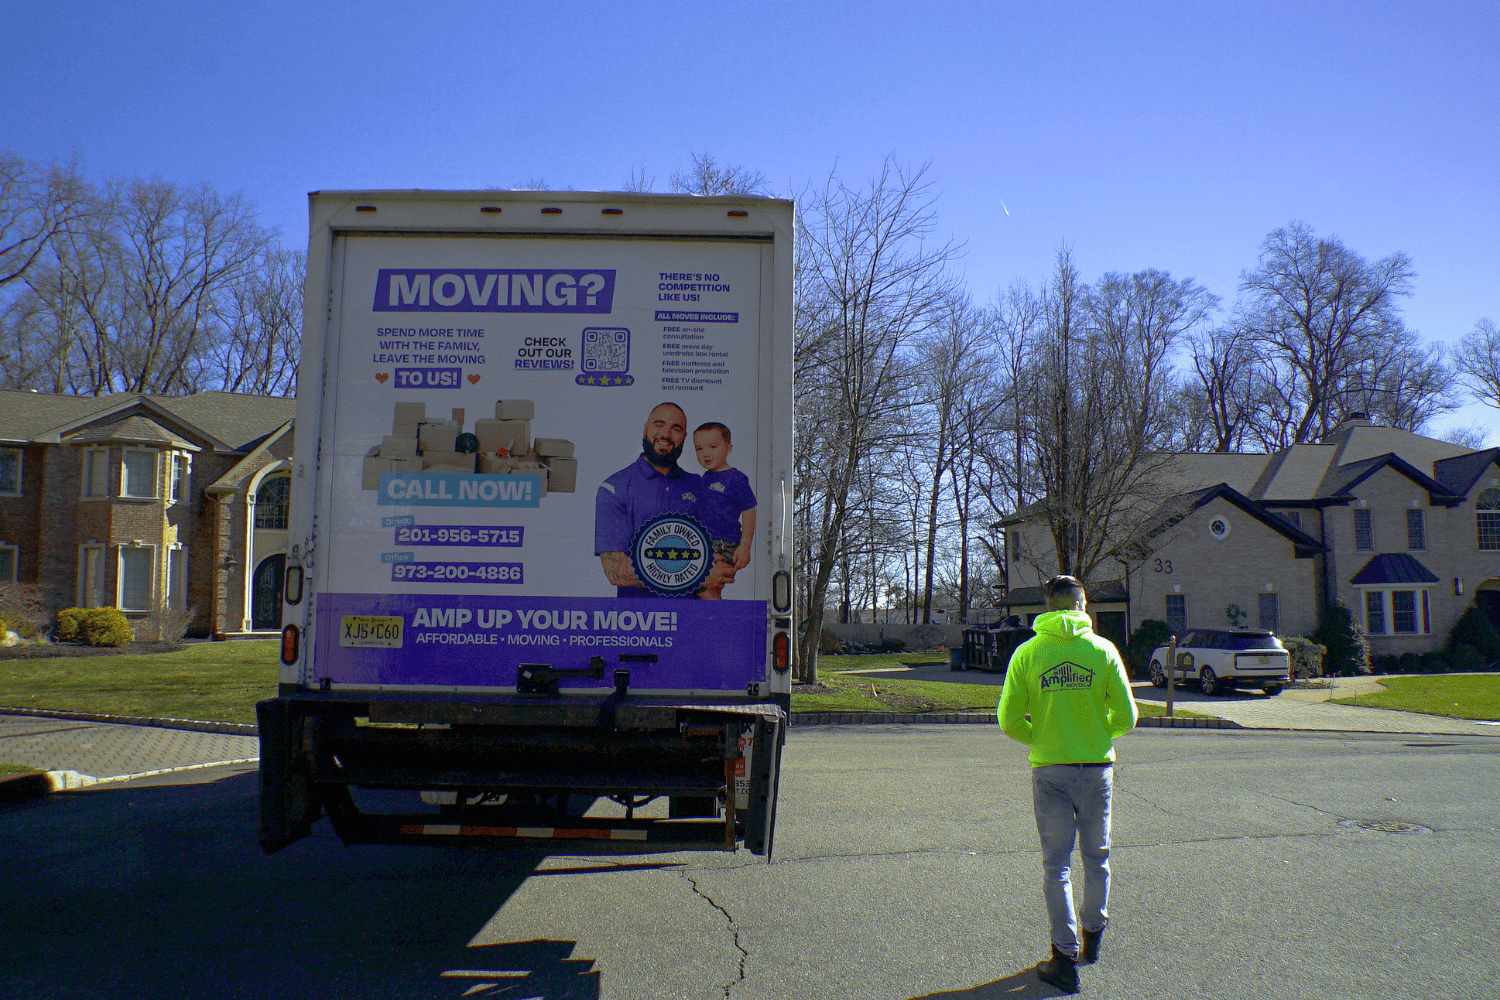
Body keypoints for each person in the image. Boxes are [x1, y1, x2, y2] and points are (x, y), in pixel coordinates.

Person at [997, 575, 1138, 993]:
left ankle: (1063, 957)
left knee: (1056, 864)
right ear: (1082, 605)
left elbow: (1008, 719)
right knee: (1097, 856)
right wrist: (1096, 734)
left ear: (1048, 605)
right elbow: (1127, 717)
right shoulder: (1102, 650)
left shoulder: (1029, 652)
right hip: (1097, 769)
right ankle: (1092, 938)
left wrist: (1043, 737)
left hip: (1051, 772)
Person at [594, 402, 734, 598]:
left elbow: (717, 569)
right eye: (659, 424)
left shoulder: (699, 486)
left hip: (693, 621)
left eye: (676, 429)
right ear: (646, 429)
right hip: (640, 622)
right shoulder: (614, 487)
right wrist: (696, 576)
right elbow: (616, 572)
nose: (666, 434)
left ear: (684, 438)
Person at [691, 421, 756, 599]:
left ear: (728, 448)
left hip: (724, 544)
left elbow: (749, 511)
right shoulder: (704, 478)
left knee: (708, 587)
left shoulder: (736, 478)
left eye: (713, 447)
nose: (705, 454)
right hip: (703, 542)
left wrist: (745, 547)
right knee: (694, 586)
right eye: (699, 449)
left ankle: (718, 623)